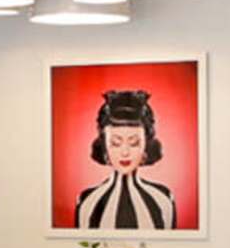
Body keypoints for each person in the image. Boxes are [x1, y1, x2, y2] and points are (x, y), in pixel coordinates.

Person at [73, 87, 177, 229]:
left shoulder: (163, 198)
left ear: (146, 144)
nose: (125, 152)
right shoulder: (87, 201)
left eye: (134, 143)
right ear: (104, 145)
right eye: (115, 143)